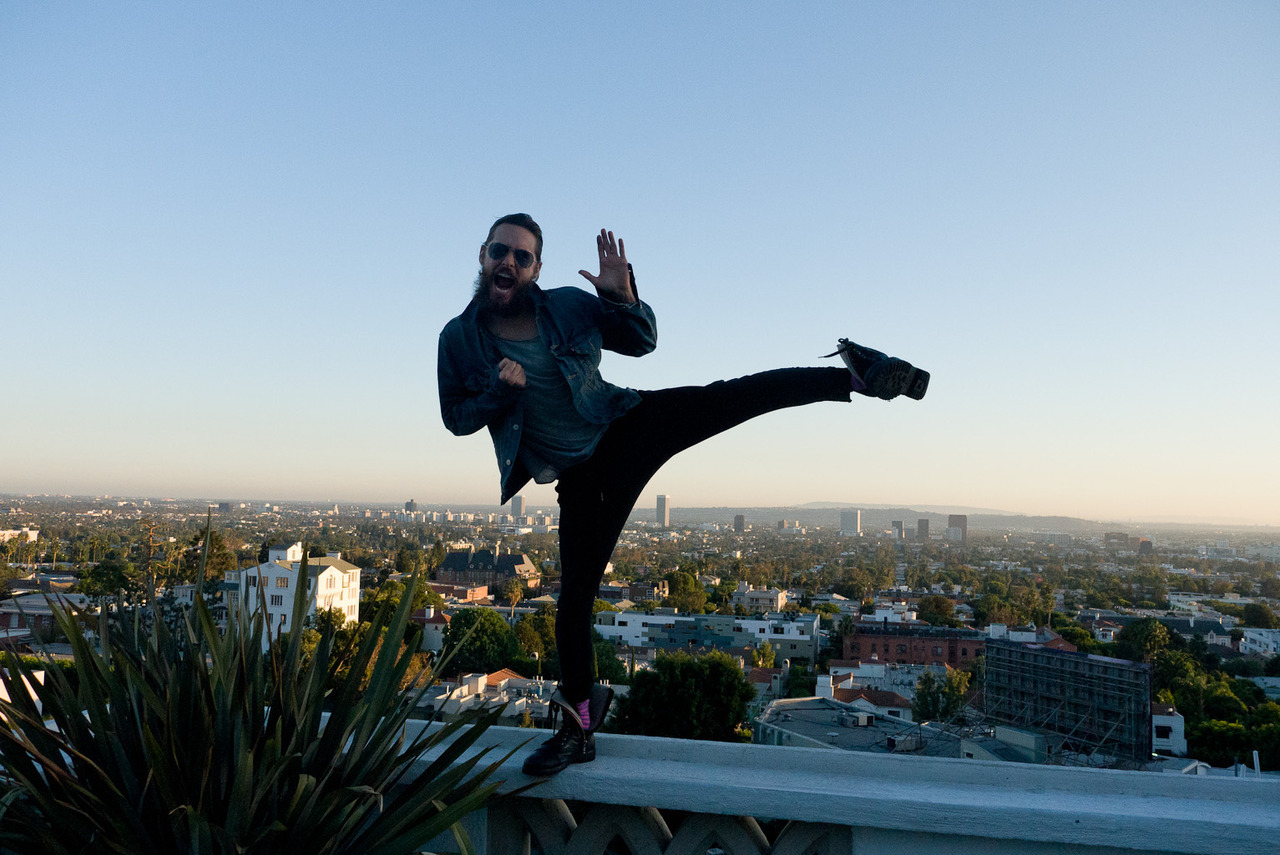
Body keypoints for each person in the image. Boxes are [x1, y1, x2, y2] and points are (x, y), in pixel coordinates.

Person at [437, 213, 927, 776]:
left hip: (624, 424)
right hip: (581, 478)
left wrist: (624, 299)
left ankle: (858, 379)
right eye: (501, 250)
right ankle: (579, 732)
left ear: (536, 268)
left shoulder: (568, 305)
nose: (509, 262)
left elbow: (641, 343)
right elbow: (456, 418)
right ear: (482, 255)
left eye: (522, 256)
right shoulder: (459, 339)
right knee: (573, 605)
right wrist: (499, 392)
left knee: (725, 399)